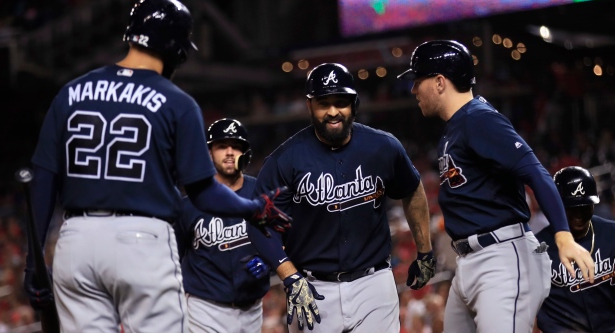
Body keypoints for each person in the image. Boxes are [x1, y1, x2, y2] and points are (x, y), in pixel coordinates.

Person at [23, 0, 289, 333]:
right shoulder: (177, 102)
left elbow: (43, 180)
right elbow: (205, 193)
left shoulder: (71, 92)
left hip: (76, 241)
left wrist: (33, 261)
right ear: (177, 48)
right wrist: (252, 208)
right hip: (141, 241)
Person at [397, 39, 595, 333]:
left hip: (502, 258)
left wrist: (563, 236)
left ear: (440, 82)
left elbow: (536, 173)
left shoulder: (479, 119)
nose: (413, 89)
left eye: (418, 80)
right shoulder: (456, 127)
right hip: (469, 262)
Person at [247, 62, 436, 332]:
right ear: (310, 105)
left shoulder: (383, 146)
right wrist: (289, 276)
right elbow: (258, 222)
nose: (333, 111)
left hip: (374, 285)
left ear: (354, 104)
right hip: (312, 288)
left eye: (341, 102)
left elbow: (412, 190)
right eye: (324, 103)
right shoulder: (285, 159)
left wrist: (425, 251)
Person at [174, 118, 271, 333]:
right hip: (204, 310)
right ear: (209, 153)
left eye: (236, 146)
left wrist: (269, 261)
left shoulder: (262, 193)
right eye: (221, 146)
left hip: (253, 308)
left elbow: (285, 239)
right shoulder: (189, 205)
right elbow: (174, 259)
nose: (229, 152)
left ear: (245, 153)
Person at [536, 166, 615, 333]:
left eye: (585, 206)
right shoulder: (536, 248)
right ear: (556, 205)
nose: (579, 213)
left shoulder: (612, 234)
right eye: (571, 208)